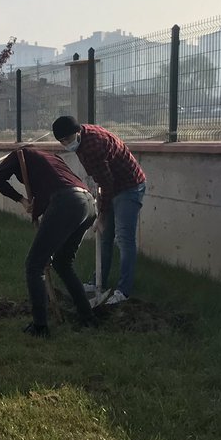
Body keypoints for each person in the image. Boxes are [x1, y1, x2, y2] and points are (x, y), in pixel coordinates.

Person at [0, 145, 98, 337]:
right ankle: (88, 318)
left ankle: (40, 327)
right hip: (88, 203)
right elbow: (54, 189)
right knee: (63, 263)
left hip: (67, 202)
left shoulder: (20, 154)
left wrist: (21, 200)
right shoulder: (52, 158)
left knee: (34, 264)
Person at [51, 116, 147, 305]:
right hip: (112, 185)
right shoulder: (81, 138)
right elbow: (101, 179)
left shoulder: (93, 146)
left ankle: (123, 291)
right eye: (62, 142)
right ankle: (98, 282)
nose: (65, 144)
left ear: (77, 133)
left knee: (124, 238)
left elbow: (107, 183)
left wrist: (101, 214)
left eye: (68, 140)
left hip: (129, 187)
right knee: (105, 237)